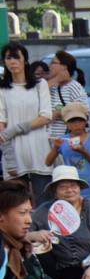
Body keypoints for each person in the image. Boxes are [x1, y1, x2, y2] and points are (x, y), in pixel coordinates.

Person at [0, 42, 54, 202]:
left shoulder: (40, 85)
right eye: (8, 58)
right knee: (16, 202)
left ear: (25, 60)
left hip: (39, 150)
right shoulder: (2, 88)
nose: (12, 62)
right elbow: (1, 121)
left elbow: (46, 116)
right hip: (14, 152)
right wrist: (8, 155)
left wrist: (17, 128)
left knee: (44, 200)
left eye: (16, 57)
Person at [45, 102, 90, 199]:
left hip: (88, 187)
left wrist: (83, 151)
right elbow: (48, 162)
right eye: (72, 121)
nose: (76, 124)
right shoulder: (63, 140)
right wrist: (55, 148)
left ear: (86, 121)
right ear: (66, 124)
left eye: (80, 121)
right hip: (68, 188)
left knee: (87, 210)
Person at [46, 50, 89, 140]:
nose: (49, 66)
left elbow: (84, 112)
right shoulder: (51, 86)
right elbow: (37, 95)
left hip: (67, 141)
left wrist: (59, 112)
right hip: (48, 140)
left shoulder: (74, 87)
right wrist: (56, 80)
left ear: (64, 67)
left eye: (53, 63)